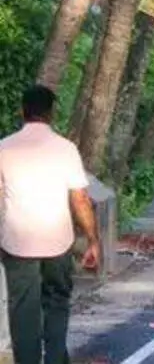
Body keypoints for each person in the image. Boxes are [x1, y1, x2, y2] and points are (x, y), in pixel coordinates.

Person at [0, 86, 100, 364]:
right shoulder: (65, 149)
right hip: (58, 242)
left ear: (22, 111)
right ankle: (56, 358)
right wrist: (93, 241)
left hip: (17, 244)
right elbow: (80, 198)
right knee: (57, 303)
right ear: (51, 113)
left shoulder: (4, 148)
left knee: (23, 310)